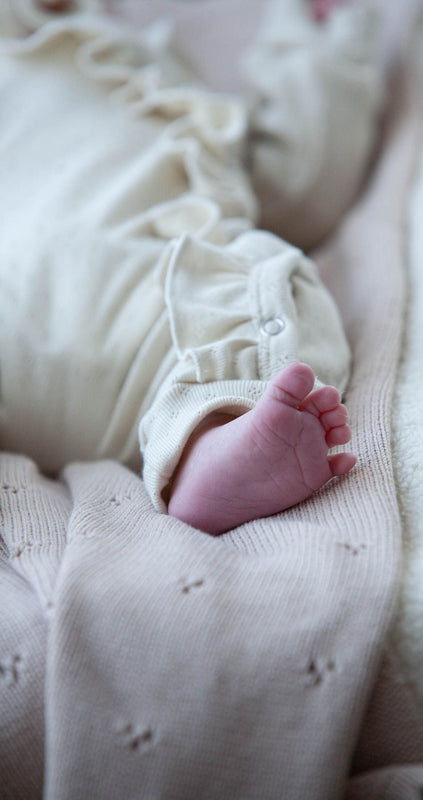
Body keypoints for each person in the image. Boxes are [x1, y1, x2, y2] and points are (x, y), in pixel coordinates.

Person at [0, 0, 382, 534]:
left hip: (118, 337)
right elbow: (304, 187)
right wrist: (323, 49)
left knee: (254, 274)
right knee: (256, 285)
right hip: (129, 317)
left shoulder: (153, 76)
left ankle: (209, 442)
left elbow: (297, 192)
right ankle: (205, 431)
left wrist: (313, 36)